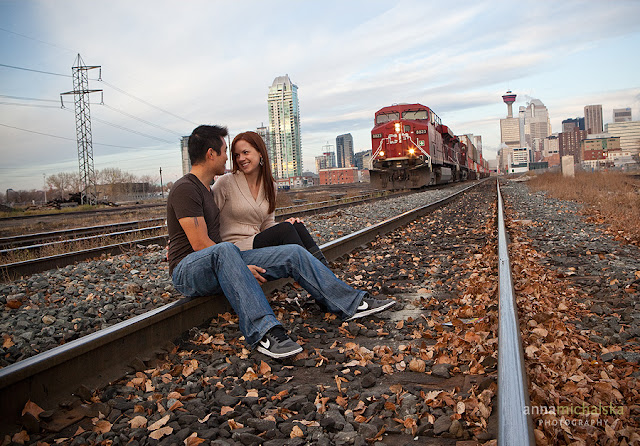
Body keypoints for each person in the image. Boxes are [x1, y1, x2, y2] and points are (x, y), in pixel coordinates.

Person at [167, 125, 395, 359]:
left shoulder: (206, 189)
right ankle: (264, 331)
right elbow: (199, 244)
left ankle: (351, 302)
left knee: (293, 253)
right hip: (188, 271)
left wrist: (236, 264)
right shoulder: (186, 188)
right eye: (226, 151)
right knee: (226, 250)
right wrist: (239, 267)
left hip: (220, 261)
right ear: (210, 154)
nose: (229, 157)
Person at [212, 131, 329, 267]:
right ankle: (318, 274)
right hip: (234, 248)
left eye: (245, 152)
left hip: (257, 242)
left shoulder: (270, 185)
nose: (241, 159)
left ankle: (324, 269)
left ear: (260, 152)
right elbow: (209, 220)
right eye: (237, 155)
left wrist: (286, 224)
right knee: (285, 230)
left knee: (296, 225)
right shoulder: (226, 182)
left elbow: (267, 224)